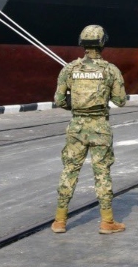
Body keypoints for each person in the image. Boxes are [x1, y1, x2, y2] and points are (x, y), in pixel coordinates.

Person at [51, 25, 128, 235]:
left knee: (69, 170)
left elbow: (59, 100)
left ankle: (59, 221)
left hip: (76, 126)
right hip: (100, 127)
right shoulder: (111, 70)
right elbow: (120, 101)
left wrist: (75, 107)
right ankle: (107, 221)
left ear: (82, 43)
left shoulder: (69, 69)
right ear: (102, 43)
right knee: (102, 172)